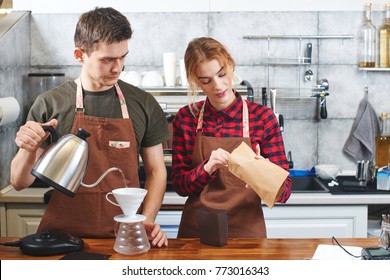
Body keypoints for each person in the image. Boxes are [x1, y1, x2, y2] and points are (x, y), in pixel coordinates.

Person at [10, 7, 169, 247]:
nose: (117, 68)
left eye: (123, 57)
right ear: (79, 54)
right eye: (107, 60)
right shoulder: (50, 104)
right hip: (62, 240)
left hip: (123, 238)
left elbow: (156, 171)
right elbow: (19, 182)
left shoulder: (143, 103)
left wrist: (143, 221)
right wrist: (28, 148)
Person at [172, 37, 292, 238]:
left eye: (222, 74)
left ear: (231, 65)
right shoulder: (187, 118)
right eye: (206, 81)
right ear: (195, 81)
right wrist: (206, 168)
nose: (218, 86)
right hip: (196, 234)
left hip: (247, 234)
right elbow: (179, 186)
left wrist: (263, 173)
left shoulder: (262, 118)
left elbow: (285, 192)